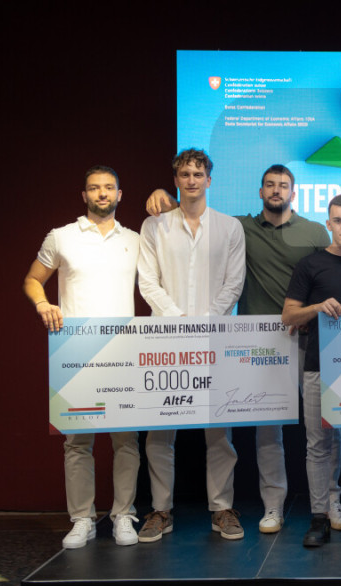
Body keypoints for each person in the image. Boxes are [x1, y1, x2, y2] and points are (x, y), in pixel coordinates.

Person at [146, 164, 341, 535]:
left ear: (293, 193)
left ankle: (332, 499)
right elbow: (192, 207)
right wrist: (164, 195)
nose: (276, 190)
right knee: (268, 434)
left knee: (323, 427)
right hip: (259, 344)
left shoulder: (315, 232)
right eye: (269, 184)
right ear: (260, 191)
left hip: (309, 338)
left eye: (283, 185)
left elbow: (329, 277)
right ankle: (273, 507)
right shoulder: (239, 227)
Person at [23, 165, 140, 548]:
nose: (101, 193)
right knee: (77, 443)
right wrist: (43, 304)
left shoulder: (136, 240)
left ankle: (123, 515)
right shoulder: (61, 236)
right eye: (94, 188)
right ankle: (82, 519)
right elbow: (32, 278)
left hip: (123, 350)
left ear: (119, 195)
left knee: (126, 441)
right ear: (84, 195)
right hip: (75, 352)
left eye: (108, 188)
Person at [137, 149, 246, 542]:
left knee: (218, 431)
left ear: (209, 180)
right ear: (176, 180)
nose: (192, 180)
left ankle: (222, 508)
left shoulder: (230, 227)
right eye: (185, 174)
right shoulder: (154, 226)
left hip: (215, 338)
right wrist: (178, 320)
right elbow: (147, 281)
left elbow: (234, 283)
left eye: (198, 174)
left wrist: (204, 322)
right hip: (164, 338)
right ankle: (160, 510)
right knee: (159, 431)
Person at [283, 194, 341, 547]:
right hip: (317, 367)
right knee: (318, 446)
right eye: (338, 220)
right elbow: (288, 315)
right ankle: (319, 517)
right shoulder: (310, 265)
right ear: (329, 224)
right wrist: (317, 307)